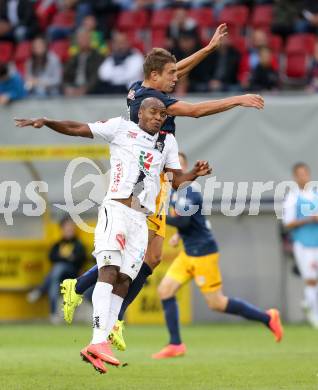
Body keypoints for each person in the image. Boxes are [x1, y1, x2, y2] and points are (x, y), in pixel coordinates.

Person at [60, 25, 264, 351]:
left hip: (158, 177)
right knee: (144, 257)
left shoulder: (139, 88)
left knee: (150, 258)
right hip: (149, 184)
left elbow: (176, 67)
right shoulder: (152, 102)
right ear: (156, 76)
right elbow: (195, 111)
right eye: (170, 74)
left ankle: (88, 295)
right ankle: (108, 314)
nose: (177, 77)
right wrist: (238, 99)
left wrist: (209, 49)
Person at [15, 97, 212, 374]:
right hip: (116, 210)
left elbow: (174, 181)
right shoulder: (121, 128)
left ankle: (100, 343)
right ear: (140, 113)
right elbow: (77, 128)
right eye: (153, 112)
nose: (158, 117)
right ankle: (97, 340)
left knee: (124, 279)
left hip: (140, 220)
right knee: (109, 269)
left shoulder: (167, 143)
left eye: (163, 113)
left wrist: (194, 173)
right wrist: (48, 122)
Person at [152, 152, 283, 359]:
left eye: (177, 166)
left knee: (217, 303)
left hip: (204, 253)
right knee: (165, 290)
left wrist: (157, 215)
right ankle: (176, 344)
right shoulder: (174, 191)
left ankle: (267, 317)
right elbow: (191, 221)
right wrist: (179, 235)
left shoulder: (190, 191)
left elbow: (185, 221)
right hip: (188, 252)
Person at [26, 216, 86, 323]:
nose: (69, 230)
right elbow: (51, 257)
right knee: (55, 277)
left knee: (57, 269)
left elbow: (80, 260)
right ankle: (54, 315)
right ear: (62, 229)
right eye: (66, 228)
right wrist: (68, 258)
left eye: (71, 227)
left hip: (73, 276)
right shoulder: (58, 244)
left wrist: (63, 258)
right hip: (58, 277)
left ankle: (41, 290)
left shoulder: (78, 243)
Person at [283, 163, 318, 328]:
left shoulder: (316, 194)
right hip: (303, 243)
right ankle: (313, 314)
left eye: (305, 173)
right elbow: (288, 223)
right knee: (311, 279)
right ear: (295, 177)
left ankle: (308, 304)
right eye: (299, 174)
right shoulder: (293, 197)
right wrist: (310, 219)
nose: (303, 177)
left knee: (315, 280)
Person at [63, 28, 104, 96]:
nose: (83, 41)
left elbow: (96, 77)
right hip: (74, 89)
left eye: (85, 38)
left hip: (90, 91)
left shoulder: (98, 57)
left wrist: (85, 89)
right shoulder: (73, 58)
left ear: (90, 40)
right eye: (80, 38)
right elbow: (65, 76)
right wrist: (67, 87)